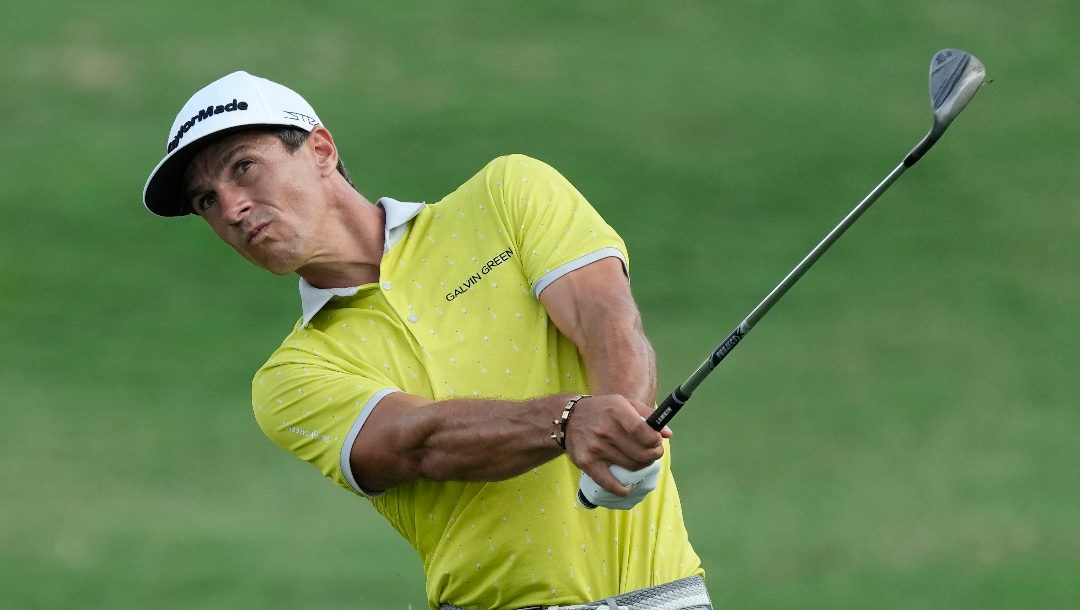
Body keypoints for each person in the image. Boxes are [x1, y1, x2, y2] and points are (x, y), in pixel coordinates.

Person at [143, 71, 711, 610]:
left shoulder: (506, 195)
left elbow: (601, 313)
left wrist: (623, 431)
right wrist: (572, 421)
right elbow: (419, 442)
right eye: (206, 202)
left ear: (320, 150)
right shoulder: (291, 377)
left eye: (244, 168)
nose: (232, 210)